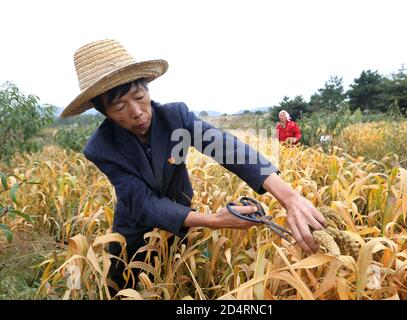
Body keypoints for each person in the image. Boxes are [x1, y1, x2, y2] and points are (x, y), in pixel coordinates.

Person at [61, 39, 326, 293]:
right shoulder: (101, 147)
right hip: (134, 225)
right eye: (119, 106)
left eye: (139, 96)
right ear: (104, 112)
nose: (137, 112)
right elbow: (142, 203)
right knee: (119, 284)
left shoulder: (175, 117)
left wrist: (289, 197)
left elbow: (224, 146)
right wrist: (213, 221)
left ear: (148, 89)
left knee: (176, 277)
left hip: (182, 215)